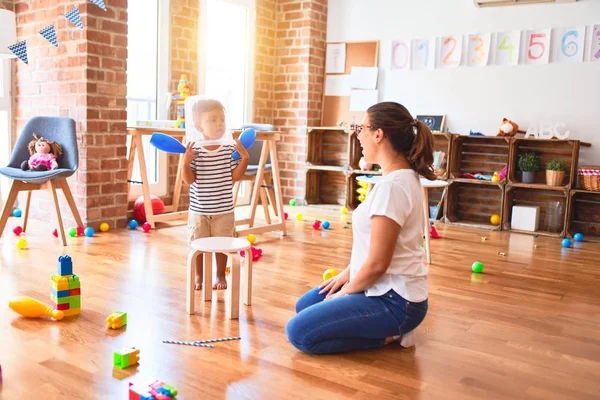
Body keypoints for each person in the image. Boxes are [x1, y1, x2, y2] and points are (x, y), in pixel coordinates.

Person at [285, 102, 434, 354]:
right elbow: (374, 250)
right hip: (384, 289)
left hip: (396, 301)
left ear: (379, 134)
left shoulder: (392, 188)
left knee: (299, 334)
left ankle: (390, 334)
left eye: (361, 128)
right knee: (305, 306)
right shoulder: (397, 179)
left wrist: (344, 293)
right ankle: (378, 324)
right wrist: (346, 275)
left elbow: (378, 264)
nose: (358, 135)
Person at [182, 99, 249, 290]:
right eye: (212, 120)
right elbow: (189, 180)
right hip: (199, 211)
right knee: (198, 246)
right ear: (198, 126)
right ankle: (198, 277)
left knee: (223, 246)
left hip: (223, 210)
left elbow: (234, 177)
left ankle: (220, 275)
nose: (219, 124)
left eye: (221, 119)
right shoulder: (193, 150)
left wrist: (244, 158)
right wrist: (185, 163)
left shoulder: (228, 149)